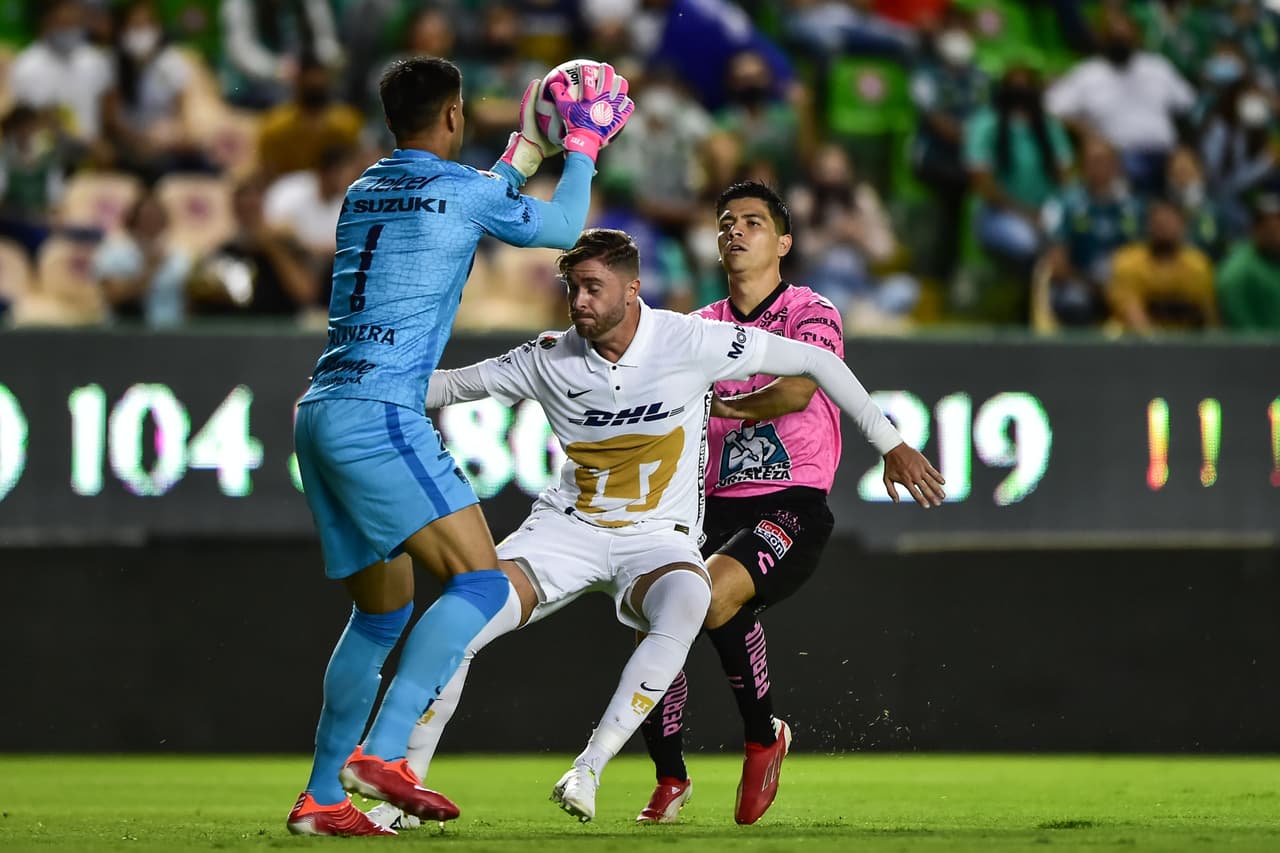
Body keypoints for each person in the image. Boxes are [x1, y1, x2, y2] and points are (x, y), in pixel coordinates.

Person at [365, 226, 944, 829]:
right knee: (463, 618)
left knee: (691, 595)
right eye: (573, 289)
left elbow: (816, 361)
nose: (580, 301)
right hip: (567, 531)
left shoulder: (689, 340)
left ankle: (590, 767)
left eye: (593, 287)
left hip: (656, 540)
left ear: (633, 289)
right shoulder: (546, 358)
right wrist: (357, 391)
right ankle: (401, 792)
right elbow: (451, 386)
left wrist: (890, 442)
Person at [285, 58, 634, 837]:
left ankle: (320, 798)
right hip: (381, 411)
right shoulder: (462, 191)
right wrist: (579, 145)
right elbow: (561, 229)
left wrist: (521, 152)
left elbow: (463, 200)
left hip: (319, 411)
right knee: (482, 581)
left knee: (379, 618)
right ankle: (386, 753)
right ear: (452, 116)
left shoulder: (365, 189)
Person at [634, 180, 932, 826]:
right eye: (725, 223)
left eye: (752, 222)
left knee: (709, 597)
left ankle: (761, 736)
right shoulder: (698, 326)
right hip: (707, 506)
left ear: (784, 241)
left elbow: (798, 389)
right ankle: (670, 775)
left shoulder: (810, 310)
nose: (735, 232)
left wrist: (725, 404)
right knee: (657, 614)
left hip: (789, 502)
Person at [1108, 197, 1218, 333]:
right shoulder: (1128, 262)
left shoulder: (1198, 265)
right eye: (1158, 222)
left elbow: (1208, 316)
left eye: (1169, 221)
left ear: (1184, 225)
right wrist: (1156, 345)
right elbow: (1131, 313)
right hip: (1134, 344)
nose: (1163, 227)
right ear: (1148, 225)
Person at [1216, 191, 1280, 331]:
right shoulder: (1237, 271)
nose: (1276, 232)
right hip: (1257, 350)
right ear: (1255, 229)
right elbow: (1241, 328)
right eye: (1269, 226)